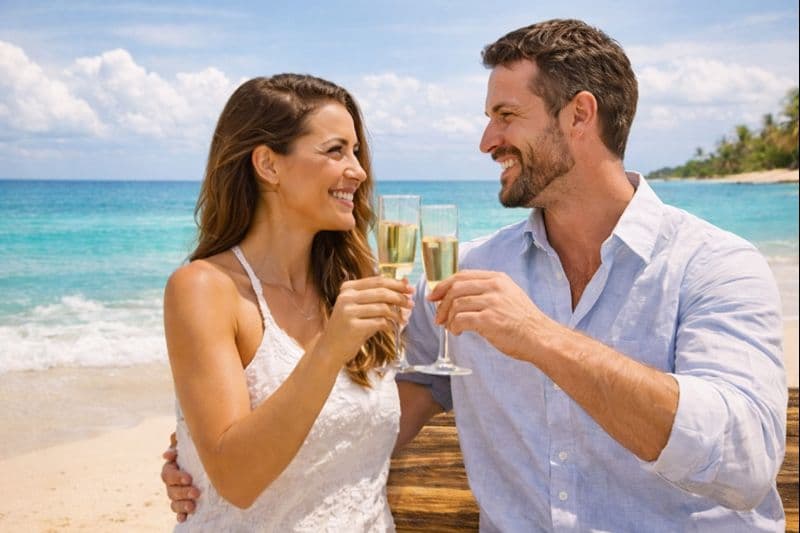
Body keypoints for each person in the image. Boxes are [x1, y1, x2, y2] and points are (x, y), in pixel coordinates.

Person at [163, 20, 788, 531]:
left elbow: (745, 459)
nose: (487, 140)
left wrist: (541, 338)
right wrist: (200, 454)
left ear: (579, 115)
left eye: (506, 115)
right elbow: (375, 387)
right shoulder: (470, 275)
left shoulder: (715, 266)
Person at [162, 73, 413, 531]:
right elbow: (236, 480)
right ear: (268, 165)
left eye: (356, 151)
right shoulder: (204, 288)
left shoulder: (356, 285)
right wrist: (329, 348)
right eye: (336, 150)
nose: (357, 170)